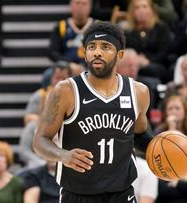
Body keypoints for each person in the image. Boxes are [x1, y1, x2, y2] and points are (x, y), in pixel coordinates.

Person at [33, 21, 151, 202]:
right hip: (78, 194)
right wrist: (63, 155)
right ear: (85, 53)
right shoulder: (66, 91)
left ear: (120, 55)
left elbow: (140, 136)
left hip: (121, 194)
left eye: (105, 47)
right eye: (91, 47)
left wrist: (166, 148)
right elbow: (40, 141)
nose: (97, 52)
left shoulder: (139, 92)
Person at [125, 0, 173, 83]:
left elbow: (164, 51)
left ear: (151, 10)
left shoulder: (161, 28)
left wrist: (148, 61)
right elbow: (126, 49)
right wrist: (136, 60)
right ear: (132, 12)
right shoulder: (128, 31)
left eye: (144, 7)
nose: (141, 10)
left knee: (151, 69)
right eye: (137, 8)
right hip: (134, 63)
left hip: (157, 63)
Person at [48, 0, 93, 71]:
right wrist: (69, 64)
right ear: (71, 5)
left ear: (90, 7)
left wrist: (85, 66)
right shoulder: (61, 26)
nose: (80, 7)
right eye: (77, 3)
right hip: (66, 68)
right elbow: (52, 52)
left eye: (84, 4)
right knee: (48, 74)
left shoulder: (97, 26)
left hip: (92, 67)